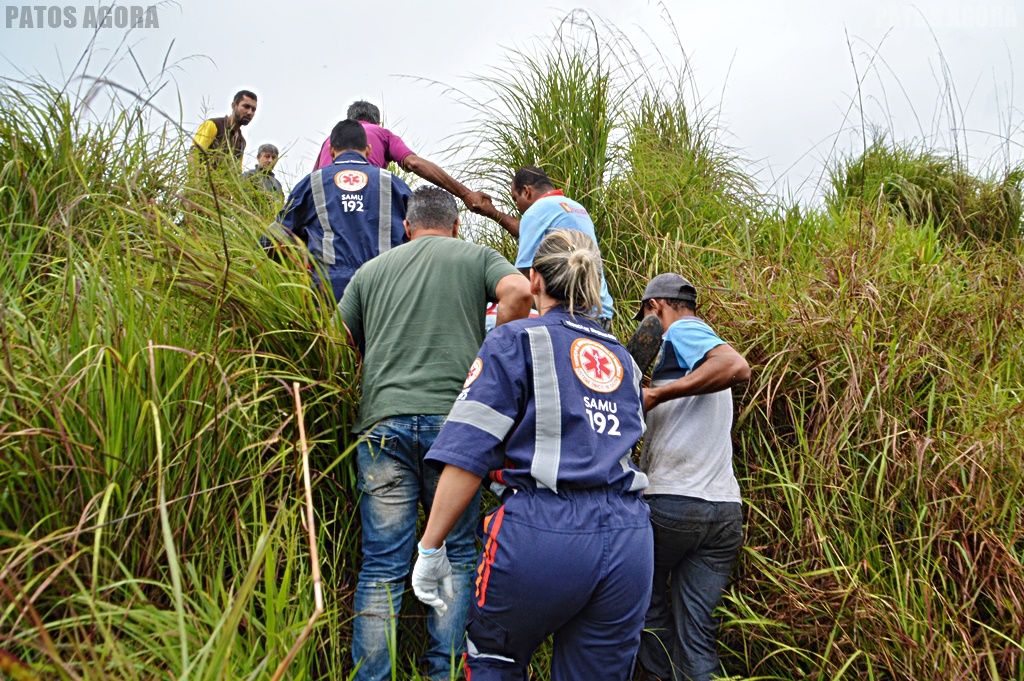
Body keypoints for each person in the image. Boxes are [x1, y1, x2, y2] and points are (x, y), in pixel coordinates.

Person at [411, 229, 653, 681]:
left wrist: (430, 546)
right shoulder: (622, 357)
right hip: (630, 536)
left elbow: (469, 451)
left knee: (494, 663)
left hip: (542, 532)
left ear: (535, 280)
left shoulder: (515, 340)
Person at [337, 186, 532, 681]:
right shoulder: (475, 257)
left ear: (407, 227)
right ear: (456, 225)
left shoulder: (370, 272)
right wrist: (493, 359)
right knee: (458, 553)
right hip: (456, 430)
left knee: (381, 564)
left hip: (383, 424)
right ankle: (442, 673)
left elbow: (338, 341)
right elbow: (519, 293)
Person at [632, 273, 751, 681]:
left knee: (642, 604)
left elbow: (738, 367)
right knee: (695, 634)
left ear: (656, 308)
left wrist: (655, 394)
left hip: (674, 504)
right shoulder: (698, 353)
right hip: (723, 512)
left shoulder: (684, 331)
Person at [270, 119, 411, 302]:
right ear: (368, 150)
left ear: (331, 151)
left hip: (328, 290)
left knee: (331, 332)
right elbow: (420, 234)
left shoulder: (312, 183)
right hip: (385, 289)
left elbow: (277, 236)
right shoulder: (393, 184)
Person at [474, 166, 616, 328]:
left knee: (492, 323)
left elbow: (523, 276)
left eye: (515, 199)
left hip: (573, 315)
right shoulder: (574, 207)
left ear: (527, 192)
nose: (518, 207)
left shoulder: (536, 211)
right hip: (601, 309)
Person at [312, 100, 490, 215]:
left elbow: (312, 182)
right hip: (367, 205)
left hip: (328, 208)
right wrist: (465, 194)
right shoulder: (382, 133)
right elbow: (414, 163)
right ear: (378, 122)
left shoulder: (329, 141)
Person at [192, 89, 257, 167]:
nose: (250, 112)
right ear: (233, 106)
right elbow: (194, 154)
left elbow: (237, 171)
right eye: (246, 106)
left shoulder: (241, 142)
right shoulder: (213, 125)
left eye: (253, 109)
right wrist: (196, 179)